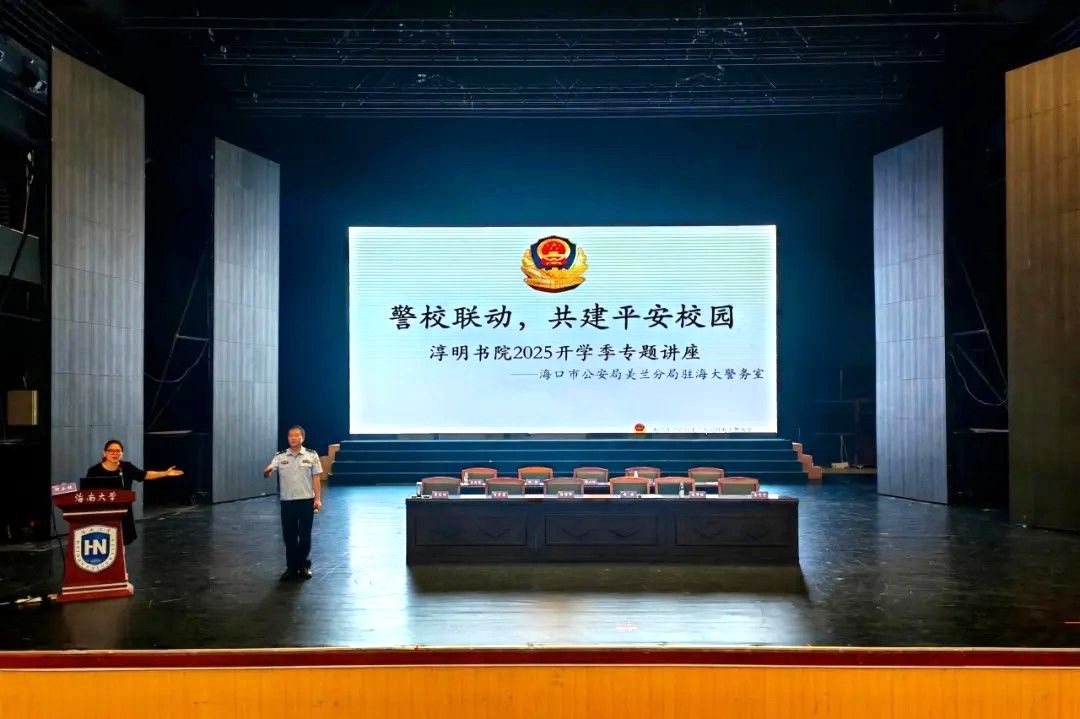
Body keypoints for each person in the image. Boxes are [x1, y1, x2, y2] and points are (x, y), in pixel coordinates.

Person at [81, 439, 184, 545]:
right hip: (102, 514)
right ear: (104, 453)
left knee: (121, 543)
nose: (114, 453)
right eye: (111, 450)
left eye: (118, 451)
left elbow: (145, 475)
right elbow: (86, 494)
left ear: (122, 453)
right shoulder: (94, 471)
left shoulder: (126, 467)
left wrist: (165, 473)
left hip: (123, 513)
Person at [263, 425, 323, 581]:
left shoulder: (311, 455)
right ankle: (291, 567)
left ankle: (303, 565)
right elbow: (270, 469)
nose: (293, 438)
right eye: (290, 435)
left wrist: (317, 499)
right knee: (289, 536)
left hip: (306, 501)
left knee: (304, 536)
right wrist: (267, 471)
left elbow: (316, 478)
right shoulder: (280, 456)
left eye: (296, 435)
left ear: (302, 438)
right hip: (287, 502)